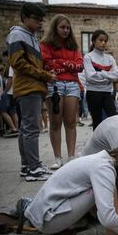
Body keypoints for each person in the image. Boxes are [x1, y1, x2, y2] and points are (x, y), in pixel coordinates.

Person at [6, 2, 56, 181]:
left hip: (32, 87)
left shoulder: (30, 36)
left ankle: (27, 166)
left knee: (26, 128)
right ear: (24, 18)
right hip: (28, 87)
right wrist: (44, 75)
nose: (40, 23)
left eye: (41, 20)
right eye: (36, 20)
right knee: (31, 128)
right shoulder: (17, 34)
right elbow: (18, 63)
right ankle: (33, 167)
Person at [40, 14, 83, 169]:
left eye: (67, 27)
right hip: (54, 84)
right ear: (55, 28)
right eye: (62, 27)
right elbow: (46, 64)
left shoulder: (73, 46)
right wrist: (68, 64)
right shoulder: (46, 44)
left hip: (72, 84)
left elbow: (80, 66)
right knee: (55, 122)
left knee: (71, 121)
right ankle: (57, 158)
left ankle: (71, 156)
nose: (65, 30)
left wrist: (59, 63)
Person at [84, 29, 118, 130]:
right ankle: (97, 144)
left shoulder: (110, 58)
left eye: (105, 41)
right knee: (97, 122)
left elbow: (116, 75)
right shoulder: (88, 57)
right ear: (94, 41)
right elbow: (90, 76)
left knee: (113, 118)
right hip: (93, 92)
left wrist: (101, 73)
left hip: (107, 93)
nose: (103, 43)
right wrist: (108, 76)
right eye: (100, 40)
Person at [0, 66, 19, 137]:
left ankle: (13, 128)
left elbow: (10, 80)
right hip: (14, 91)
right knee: (13, 111)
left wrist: (5, 91)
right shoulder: (15, 65)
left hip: (8, 92)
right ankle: (16, 128)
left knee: (2, 111)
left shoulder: (11, 66)